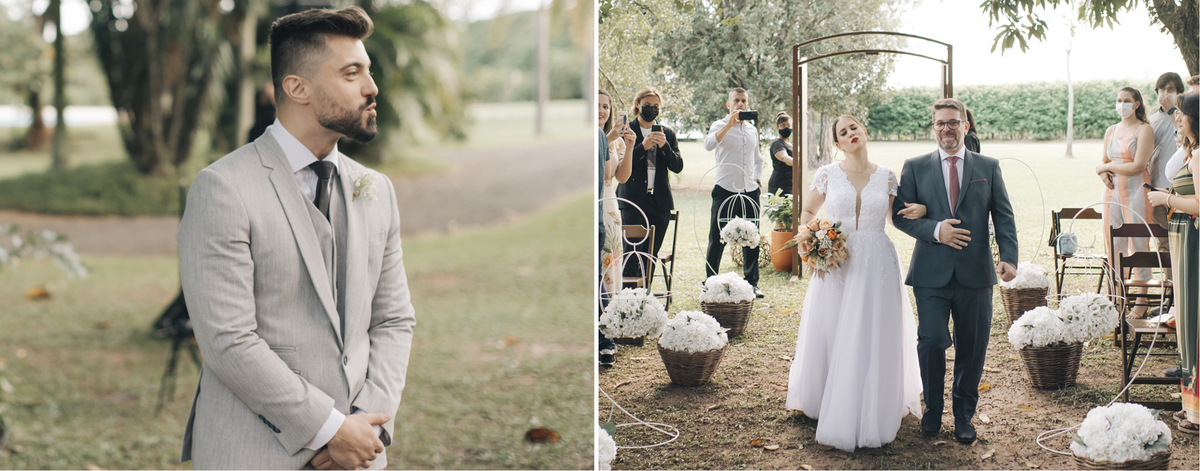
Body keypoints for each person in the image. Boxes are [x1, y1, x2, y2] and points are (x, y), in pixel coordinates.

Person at [177, 7, 414, 469]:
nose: (372, 87)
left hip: (360, 453)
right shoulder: (223, 189)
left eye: (368, 71)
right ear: (297, 88)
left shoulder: (377, 190)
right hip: (254, 453)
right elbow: (228, 341)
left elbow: (393, 320)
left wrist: (366, 423)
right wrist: (328, 429)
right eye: (352, 73)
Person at [785, 114, 924, 451]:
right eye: (842, 132)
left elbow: (896, 217)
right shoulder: (828, 174)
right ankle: (826, 398)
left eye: (854, 128)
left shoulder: (887, 176)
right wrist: (816, 240)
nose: (850, 134)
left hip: (878, 260)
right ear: (837, 144)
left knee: (874, 329)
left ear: (865, 132)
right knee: (833, 326)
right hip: (838, 260)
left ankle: (874, 402)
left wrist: (919, 210)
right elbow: (806, 214)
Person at [892, 98, 1018, 445]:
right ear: (933, 128)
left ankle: (963, 414)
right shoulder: (915, 167)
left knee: (972, 347)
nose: (946, 128)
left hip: (976, 274)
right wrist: (936, 230)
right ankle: (933, 408)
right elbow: (900, 216)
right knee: (931, 341)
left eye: (953, 122)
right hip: (930, 273)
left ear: (965, 125)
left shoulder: (988, 167)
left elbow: (1003, 216)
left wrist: (1009, 257)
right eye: (940, 123)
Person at [1147, 91, 1199, 435]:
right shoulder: (1191, 152)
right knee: (1186, 320)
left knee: (1194, 321)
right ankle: (1192, 407)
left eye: (1182, 113)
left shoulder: (1199, 158)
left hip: (1194, 246)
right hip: (1185, 244)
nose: (1176, 117)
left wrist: (1166, 197)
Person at [1097, 86, 1156, 318]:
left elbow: (1138, 166)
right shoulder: (1111, 130)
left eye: (1126, 100)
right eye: (1118, 100)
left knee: (1139, 243)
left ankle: (1141, 302)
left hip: (1136, 191)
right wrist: (1103, 173)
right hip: (1111, 194)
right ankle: (1117, 299)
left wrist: (1108, 167)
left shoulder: (1144, 129)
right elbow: (1102, 161)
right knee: (1114, 245)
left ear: (1136, 104)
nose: (1121, 104)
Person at [703, 88, 765, 298]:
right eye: (736, 101)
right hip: (725, 189)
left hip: (749, 190)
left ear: (747, 104)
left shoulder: (752, 130)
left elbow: (758, 158)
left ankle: (752, 284)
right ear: (728, 105)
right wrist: (729, 124)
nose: (740, 104)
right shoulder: (719, 125)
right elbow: (708, 144)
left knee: (752, 237)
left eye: (743, 101)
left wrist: (757, 179)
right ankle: (710, 281)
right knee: (716, 237)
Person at [617, 87, 683, 283]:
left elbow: (678, 166)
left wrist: (665, 147)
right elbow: (620, 166)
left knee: (650, 257)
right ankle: (627, 302)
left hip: (659, 203)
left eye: (656, 106)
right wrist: (642, 146)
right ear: (638, 105)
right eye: (647, 105)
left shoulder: (668, 133)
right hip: (632, 201)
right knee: (631, 255)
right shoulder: (626, 130)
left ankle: (645, 300)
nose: (652, 109)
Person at [598, 88, 633, 367]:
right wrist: (605, 140)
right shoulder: (597, 139)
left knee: (608, 270)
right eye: (597, 106)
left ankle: (608, 332)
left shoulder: (616, 142)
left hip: (610, 206)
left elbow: (620, 176)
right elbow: (603, 172)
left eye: (606, 107)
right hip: (595, 203)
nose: (602, 111)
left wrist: (629, 146)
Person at [1148, 73, 1184, 229]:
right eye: (1161, 90)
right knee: (1162, 238)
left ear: (1179, 91)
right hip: (1156, 185)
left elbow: (1184, 140)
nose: (1165, 93)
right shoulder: (1151, 120)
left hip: (1180, 189)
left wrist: (1172, 110)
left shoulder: (1187, 117)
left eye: (1170, 89)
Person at [767, 111, 795, 197]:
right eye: (783, 125)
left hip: (789, 186)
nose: (786, 127)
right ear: (777, 127)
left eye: (788, 125)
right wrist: (801, 161)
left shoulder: (790, 145)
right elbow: (785, 158)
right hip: (779, 187)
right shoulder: (777, 144)